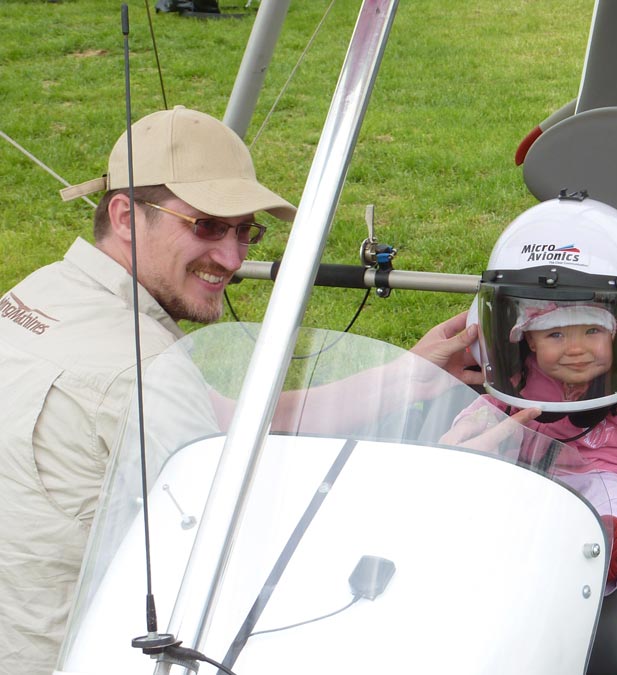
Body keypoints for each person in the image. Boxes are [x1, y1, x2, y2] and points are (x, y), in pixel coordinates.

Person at [0, 106, 489, 674]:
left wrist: (406, 376)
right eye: (206, 226)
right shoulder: (145, 370)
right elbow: (247, 547)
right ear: (126, 216)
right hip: (78, 655)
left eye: (244, 231)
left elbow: (227, 421)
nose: (232, 259)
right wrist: (441, 477)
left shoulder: (40, 294)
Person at [464, 194, 617, 594]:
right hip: (534, 478)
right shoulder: (520, 380)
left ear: (615, 335)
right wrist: (464, 431)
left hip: (603, 479)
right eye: (556, 335)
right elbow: (486, 410)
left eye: (592, 331)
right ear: (530, 342)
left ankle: (602, 552)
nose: (576, 349)